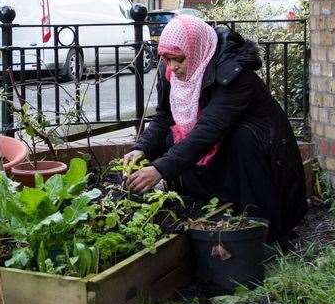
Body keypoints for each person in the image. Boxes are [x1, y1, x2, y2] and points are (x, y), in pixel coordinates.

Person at [124, 14, 307, 242]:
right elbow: (164, 117)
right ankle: (205, 219)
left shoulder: (235, 73)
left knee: (241, 139)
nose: (173, 67)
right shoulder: (170, 72)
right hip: (219, 143)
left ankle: (262, 233)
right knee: (174, 138)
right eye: (167, 59)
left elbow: (210, 128)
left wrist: (160, 169)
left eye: (178, 59)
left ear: (196, 49)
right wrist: (142, 148)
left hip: (260, 155)